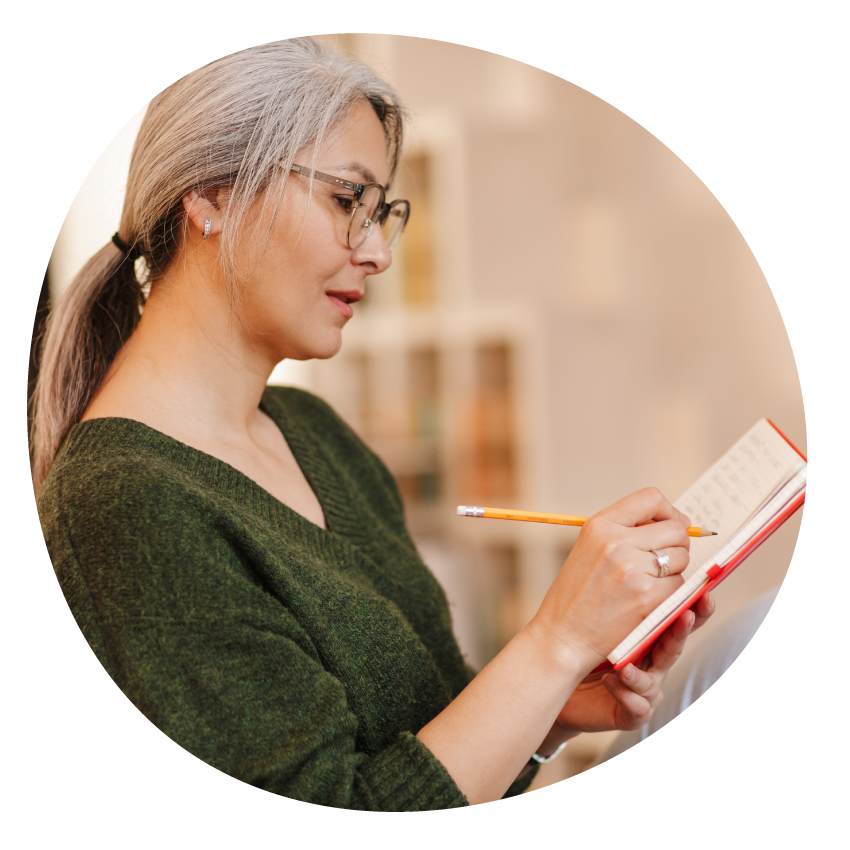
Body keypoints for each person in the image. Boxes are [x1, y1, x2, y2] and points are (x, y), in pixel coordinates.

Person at [34, 38, 721, 809]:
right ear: (212, 195)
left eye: (381, 211)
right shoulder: (126, 505)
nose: (377, 253)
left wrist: (551, 708)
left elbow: (427, 749)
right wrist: (551, 642)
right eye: (344, 200)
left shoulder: (314, 433)